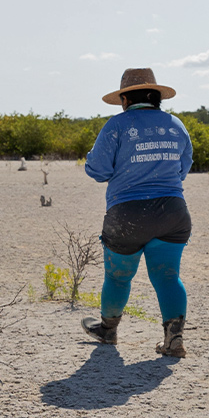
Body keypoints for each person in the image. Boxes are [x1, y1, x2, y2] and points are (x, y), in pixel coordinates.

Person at [81, 67, 193, 357]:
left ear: (125, 100)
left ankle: (108, 331)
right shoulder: (176, 125)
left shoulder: (117, 126)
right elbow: (184, 167)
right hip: (173, 210)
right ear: (156, 98)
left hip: (127, 214)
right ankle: (173, 340)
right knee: (168, 276)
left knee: (118, 277)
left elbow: (98, 170)